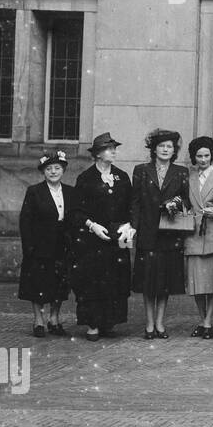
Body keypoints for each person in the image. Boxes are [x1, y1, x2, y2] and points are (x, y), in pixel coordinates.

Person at [71, 132, 134, 342]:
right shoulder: (86, 179)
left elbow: (131, 206)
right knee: (93, 281)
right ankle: (93, 324)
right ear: (98, 154)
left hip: (116, 239)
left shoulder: (122, 177)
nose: (113, 151)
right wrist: (92, 226)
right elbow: (76, 211)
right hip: (92, 241)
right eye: (109, 148)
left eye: (114, 148)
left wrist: (129, 226)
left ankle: (109, 321)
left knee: (115, 279)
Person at [131, 128, 189, 340]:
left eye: (169, 147)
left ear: (174, 151)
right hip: (147, 232)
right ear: (154, 149)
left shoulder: (181, 172)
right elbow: (135, 202)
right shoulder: (141, 170)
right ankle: (148, 323)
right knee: (148, 281)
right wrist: (134, 228)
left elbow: (186, 200)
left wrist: (173, 204)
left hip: (170, 232)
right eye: (162, 146)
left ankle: (160, 323)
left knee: (165, 281)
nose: (166, 150)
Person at [18, 150, 77, 337]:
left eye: (57, 168)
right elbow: (25, 221)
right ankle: (38, 321)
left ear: (63, 170)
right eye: (49, 169)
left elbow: (74, 219)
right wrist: (29, 247)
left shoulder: (70, 192)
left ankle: (54, 318)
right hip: (40, 245)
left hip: (62, 245)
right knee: (38, 283)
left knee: (59, 284)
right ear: (43, 172)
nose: (53, 172)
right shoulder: (34, 192)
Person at [182, 136, 213, 340]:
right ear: (194, 157)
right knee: (196, 283)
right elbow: (184, 203)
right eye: (199, 156)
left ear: (212, 156)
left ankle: (208, 321)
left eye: (206, 155)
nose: (203, 159)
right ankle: (202, 320)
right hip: (193, 233)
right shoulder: (187, 177)